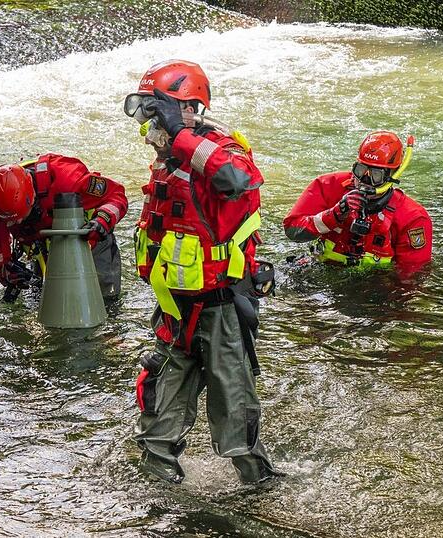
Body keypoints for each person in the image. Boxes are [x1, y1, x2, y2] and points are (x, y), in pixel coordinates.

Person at [125, 60, 280, 484]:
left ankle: (259, 486)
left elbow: (238, 179)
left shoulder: (221, 150)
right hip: (174, 310)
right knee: (159, 401)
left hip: (221, 308)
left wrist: (181, 135)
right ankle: (157, 488)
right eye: (149, 113)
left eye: (159, 112)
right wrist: (173, 139)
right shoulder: (167, 158)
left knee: (235, 408)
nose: (149, 124)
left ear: (189, 109)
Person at [0, 153, 128, 301]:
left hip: (90, 240)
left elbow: (116, 195)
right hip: (40, 248)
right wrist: (6, 271)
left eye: (20, 217)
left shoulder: (67, 180)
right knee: (45, 301)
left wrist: (102, 220)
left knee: (104, 299)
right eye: (10, 221)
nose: (16, 223)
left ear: (33, 196)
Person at [283, 131, 432, 277]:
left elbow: (411, 276)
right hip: (322, 271)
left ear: (392, 175)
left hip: (376, 286)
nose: (364, 180)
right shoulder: (327, 186)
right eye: (360, 170)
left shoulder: (412, 218)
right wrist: (333, 216)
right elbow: (292, 231)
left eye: (376, 175)